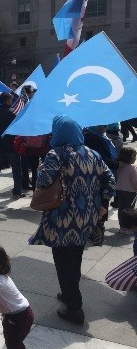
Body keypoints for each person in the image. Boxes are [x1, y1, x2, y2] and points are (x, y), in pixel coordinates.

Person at [29, 115, 115, 325]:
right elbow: (110, 181)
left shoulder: (56, 154)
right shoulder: (93, 154)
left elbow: (44, 180)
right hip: (87, 218)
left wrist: (42, 169)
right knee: (75, 257)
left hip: (62, 218)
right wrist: (103, 203)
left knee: (63, 262)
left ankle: (75, 307)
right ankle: (68, 294)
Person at [0, 92, 25, 200]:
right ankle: (17, 192)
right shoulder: (13, 113)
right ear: (8, 100)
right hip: (11, 146)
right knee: (16, 170)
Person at [115, 147, 137, 234]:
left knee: (121, 209)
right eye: (134, 156)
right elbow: (134, 181)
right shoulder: (132, 169)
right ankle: (128, 227)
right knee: (129, 210)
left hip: (120, 190)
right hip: (130, 192)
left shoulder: (120, 166)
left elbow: (117, 177)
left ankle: (122, 227)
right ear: (130, 157)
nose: (135, 158)